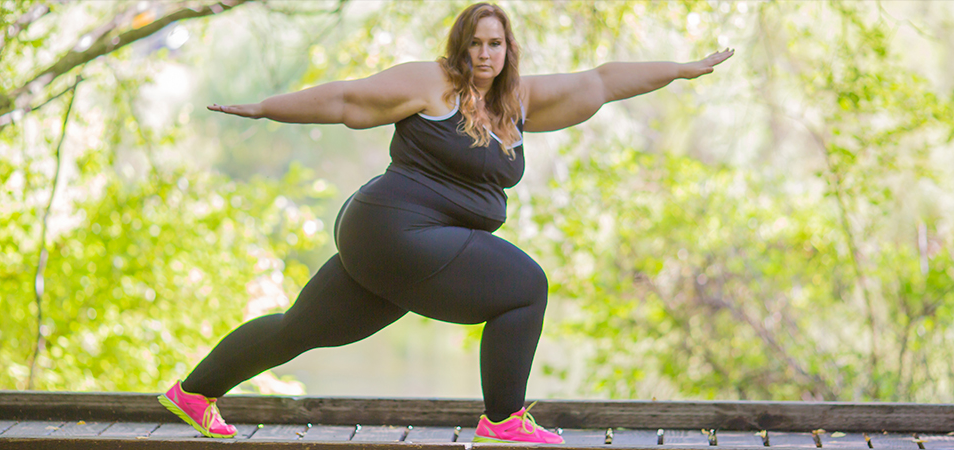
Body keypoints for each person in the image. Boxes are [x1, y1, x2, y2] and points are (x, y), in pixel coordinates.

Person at [158, 2, 733, 444]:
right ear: (459, 48)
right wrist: (264, 108)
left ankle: (194, 392)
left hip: (394, 243)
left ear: (508, 49)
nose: (485, 55)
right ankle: (505, 419)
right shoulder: (434, 85)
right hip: (392, 227)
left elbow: (602, 82)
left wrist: (681, 71)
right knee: (525, 287)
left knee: (301, 329)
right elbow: (347, 100)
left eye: (495, 44)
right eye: (475, 44)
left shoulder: (518, 104)